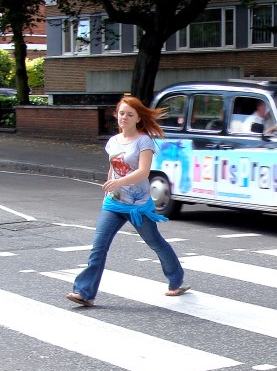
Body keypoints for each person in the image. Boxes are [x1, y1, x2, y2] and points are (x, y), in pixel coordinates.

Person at [67, 96, 189, 307]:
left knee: (155, 243)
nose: (124, 117)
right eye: (121, 113)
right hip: (113, 204)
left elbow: (143, 172)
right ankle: (85, 293)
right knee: (98, 247)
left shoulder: (144, 141)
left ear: (138, 118)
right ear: (116, 115)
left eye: (130, 114)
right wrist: (109, 184)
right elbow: (113, 167)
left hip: (137, 205)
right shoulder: (113, 141)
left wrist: (119, 181)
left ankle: (176, 280)